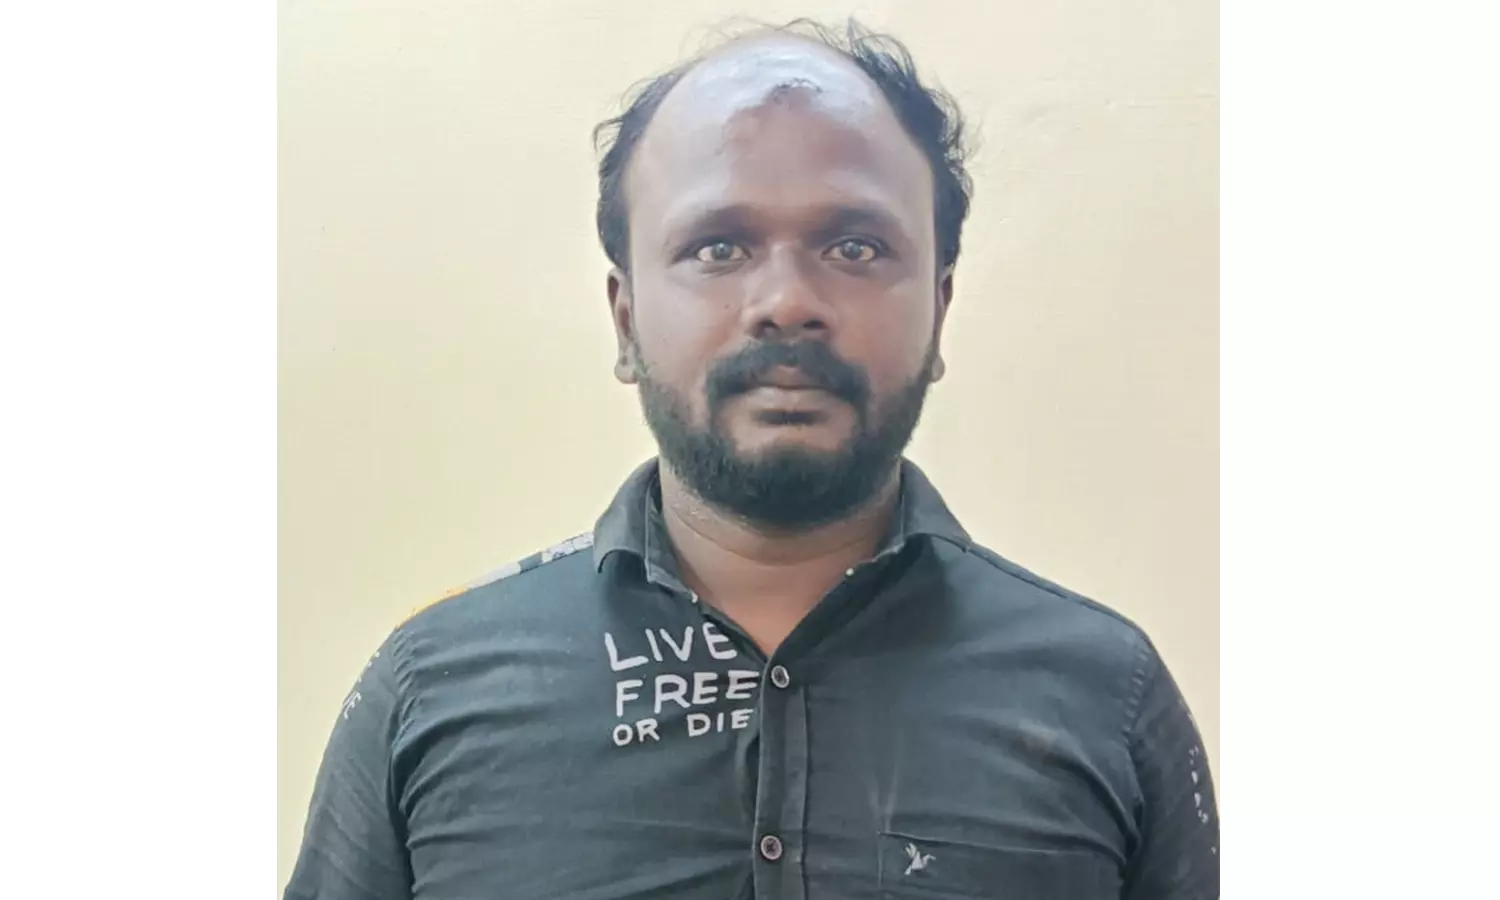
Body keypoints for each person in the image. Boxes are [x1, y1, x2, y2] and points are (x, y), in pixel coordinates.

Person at [285, 18, 1218, 900]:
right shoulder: (433, 686)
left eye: (855, 246)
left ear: (939, 310)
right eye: (718, 246)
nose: (786, 302)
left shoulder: (1106, 693)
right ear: (625, 318)